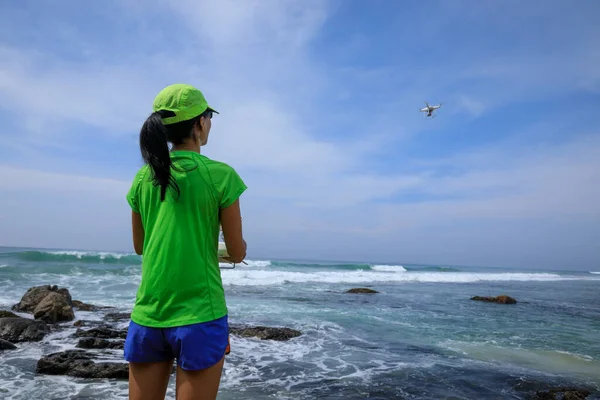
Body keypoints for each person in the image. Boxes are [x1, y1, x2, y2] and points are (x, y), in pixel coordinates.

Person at [124, 83, 247, 400]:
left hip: (149, 314)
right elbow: (236, 251)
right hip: (200, 316)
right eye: (208, 117)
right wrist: (216, 249)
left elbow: (142, 246)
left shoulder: (143, 177)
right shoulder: (220, 175)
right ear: (199, 123)